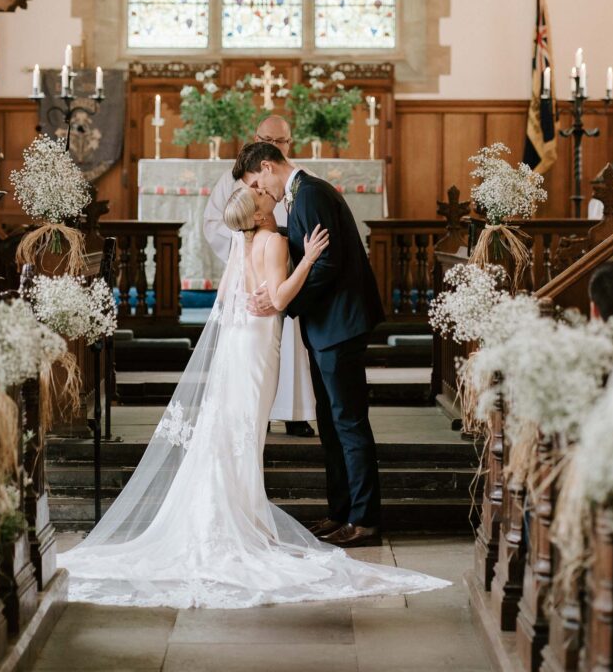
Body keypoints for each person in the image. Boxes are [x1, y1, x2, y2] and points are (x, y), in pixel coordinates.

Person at [58, 184, 448, 607]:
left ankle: (236, 512)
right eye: (261, 197)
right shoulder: (276, 241)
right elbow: (279, 298)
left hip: (239, 344)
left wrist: (255, 292)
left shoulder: (243, 243)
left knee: (234, 427)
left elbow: (228, 296)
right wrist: (310, 259)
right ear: (259, 214)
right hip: (260, 347)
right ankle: (243, 519)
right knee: (246, 431)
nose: (266, 195)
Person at [235, 141, 385, 549]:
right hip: (326, 326)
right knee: (332, 425)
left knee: (349, 423)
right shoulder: (298, 198)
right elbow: (305, 250)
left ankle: (365, 519)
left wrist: (284, 301)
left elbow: (328, 263)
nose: (257, 192)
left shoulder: (312, 193)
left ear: (267, 167)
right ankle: (341, 512)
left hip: (340, 323)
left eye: (255, 182)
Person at [203, 114, 316, 437]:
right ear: (255, 138)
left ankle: (295, 413)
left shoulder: (300, 179)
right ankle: (256, 415)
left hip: (287, 272)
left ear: (288, 144)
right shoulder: (235, 178)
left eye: (278, 142)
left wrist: (288, 257)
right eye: (265, 140)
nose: (271, 146)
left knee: (290, 347)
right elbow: (216, 224)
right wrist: (249, 253)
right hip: (257, 284)